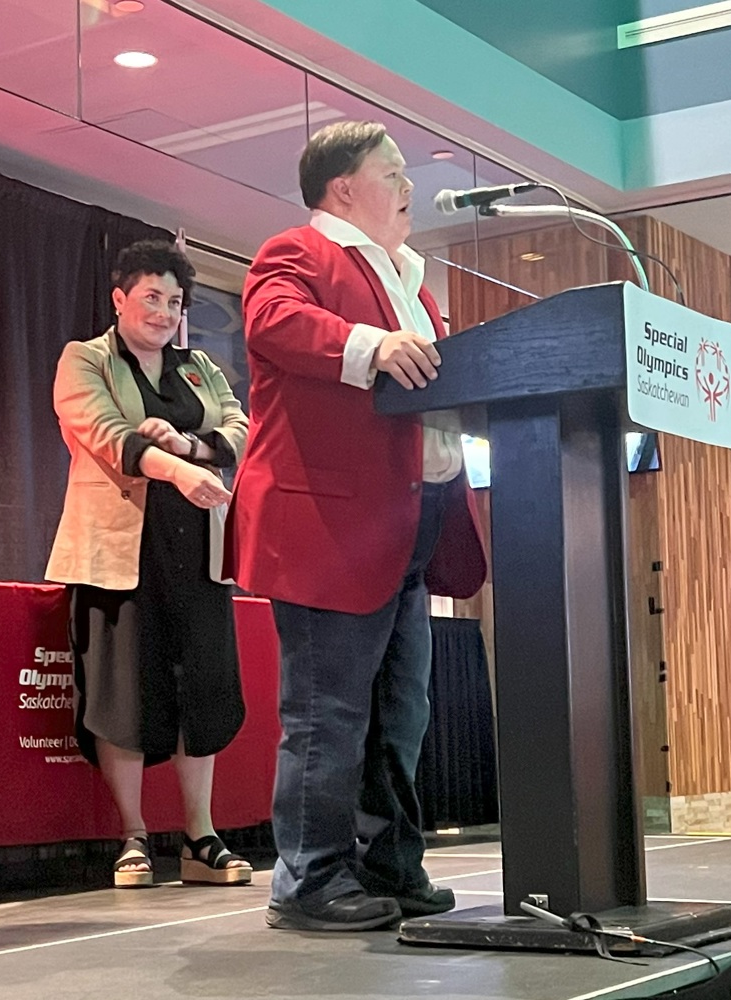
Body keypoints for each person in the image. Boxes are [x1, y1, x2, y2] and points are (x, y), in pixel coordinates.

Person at [224, 121, 487, 931]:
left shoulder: (413, 279)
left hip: (410, 521)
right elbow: (273, 322)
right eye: (393, 171)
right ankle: (307, 881)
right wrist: (371, 345)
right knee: (328, 713)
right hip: (329, 526)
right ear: (343, 188)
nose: (410, 185)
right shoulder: (296, 252)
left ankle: (388, 864)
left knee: (399, 714)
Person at [46, 239, 254, 890]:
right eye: (151, 298)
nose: (165, 313)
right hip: (117, 553)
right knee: (123, 693)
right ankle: (132, 836)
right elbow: (108, 436)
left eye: (175, 301)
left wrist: (191, 444)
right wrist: (176, 468)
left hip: (197, 552)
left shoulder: (200, 368)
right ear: (119, 299)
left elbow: (239, 428)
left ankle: (200, 837)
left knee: (203, 689)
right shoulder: (85, 359)